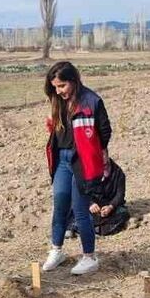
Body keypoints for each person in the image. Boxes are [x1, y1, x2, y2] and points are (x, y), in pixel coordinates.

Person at [41, 61, 112, 276]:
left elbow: (105, 131)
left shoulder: (92, 101)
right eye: (55, 87)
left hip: (82, 162)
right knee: (60, 205)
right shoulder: (57, 101)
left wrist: (94, 151)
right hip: (62, 160)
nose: (58, 91)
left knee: (81, 209)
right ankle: (56, 250)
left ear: (73, 81)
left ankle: (89, 257)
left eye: (62, 86)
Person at [76, 157, 130, 236]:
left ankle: (96, 229)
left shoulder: (118, 173)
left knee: (123, 213)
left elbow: (120, 195)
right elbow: (79, 191)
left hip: (109, 206)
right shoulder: (86, 170)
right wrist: (90, 204)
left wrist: (111, 206)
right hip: (91, 206)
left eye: (105, 165)